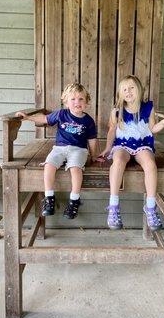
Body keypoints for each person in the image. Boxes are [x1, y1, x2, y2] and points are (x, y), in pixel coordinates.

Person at [99, 75, 164, 231]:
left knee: (150, 164)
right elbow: (112, 130)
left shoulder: (148, 108)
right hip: (122, 145)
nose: (128, 91)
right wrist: (108, 148)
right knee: (118, 161)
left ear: (139, 89)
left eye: (132, 88)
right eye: (124, 89)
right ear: (120, 94)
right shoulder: (117, 111)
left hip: (142, 145)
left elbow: (152, 128)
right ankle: (113, 205)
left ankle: (150, 208)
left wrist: (162, 123)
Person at [16, 82, 102, 219]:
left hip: (78, 150)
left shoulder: (88, 121)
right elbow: (44, 119)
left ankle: (74, 200)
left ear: (86, 103)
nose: (77, 102)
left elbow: (92, 140)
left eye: (81, 99)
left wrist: (94, 156)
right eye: (72, 99)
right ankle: (49, 198)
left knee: (75, 168)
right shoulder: (61, 114)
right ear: (66, 102)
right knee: (49, 166)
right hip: (59, 148)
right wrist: (27, 117)